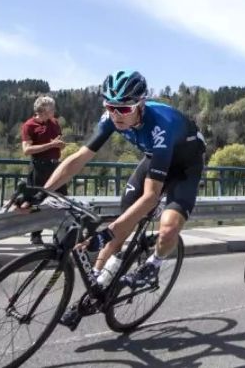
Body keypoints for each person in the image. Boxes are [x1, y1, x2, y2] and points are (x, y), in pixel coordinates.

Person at [29, 70, 205, 330]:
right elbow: (78, 159)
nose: (116, 114)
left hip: (185, 166)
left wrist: (106, 233)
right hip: (154, 157)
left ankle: (154, 263)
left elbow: (150, 196)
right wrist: (41, 191)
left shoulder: (160, 126)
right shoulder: (110, 118)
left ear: (140, 104)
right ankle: (94, 292)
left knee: (167, 227)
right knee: (121, 228)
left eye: (124, 109)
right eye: (110, 107)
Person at [21, 96, 68, 245]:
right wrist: (50, 145)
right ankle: (36, 234)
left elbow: (57, 144)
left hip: (56, 166)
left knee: (62, 199)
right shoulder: (29, 125)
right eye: (51, 108)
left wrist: (59, 145)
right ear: (43, 110)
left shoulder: (54, 123)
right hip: (39, 167)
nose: (54, 111)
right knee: (38, 201)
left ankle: (59, 235)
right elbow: (26, 150)